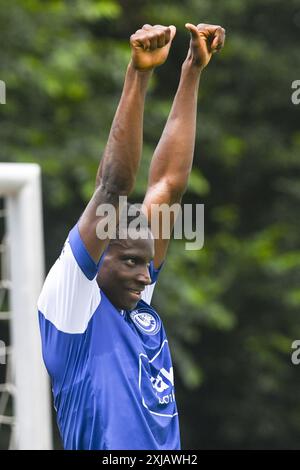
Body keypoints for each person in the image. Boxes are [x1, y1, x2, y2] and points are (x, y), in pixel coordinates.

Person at [38, 22, 225, 450]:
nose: (146, 277)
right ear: (97, 255)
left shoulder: (136, 304)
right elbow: (113, 188)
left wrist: (192, 70)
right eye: (130, 262)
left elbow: (168, 186)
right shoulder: (72, 306)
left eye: (147, 264)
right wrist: (138, 74)